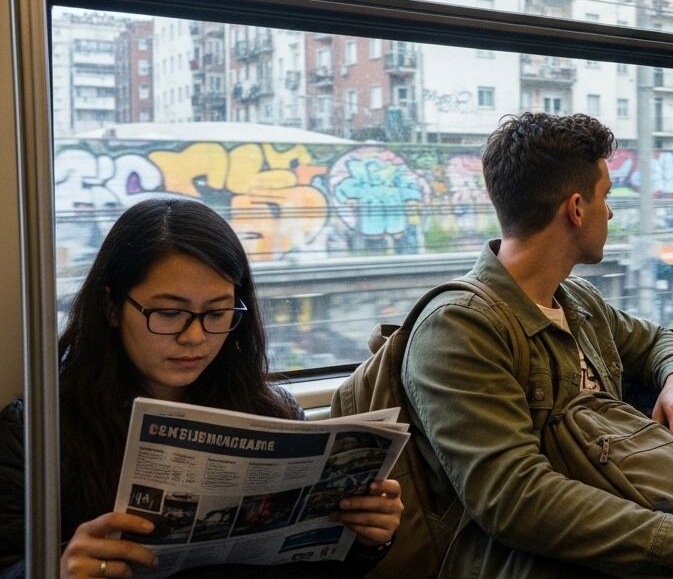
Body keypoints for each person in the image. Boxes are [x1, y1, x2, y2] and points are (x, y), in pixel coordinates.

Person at [401, 112, 673, 579]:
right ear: (576, 208)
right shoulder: (459, 328)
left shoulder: (577, 300)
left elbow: (656, 340)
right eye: (606, 196)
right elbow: (514, 497)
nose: (611, 211)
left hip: (621, 549)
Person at [0, 198, 404, 579]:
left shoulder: (271, 414)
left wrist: (368, 539)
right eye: (170, 313)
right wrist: (53, 567)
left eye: (217, 313)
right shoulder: (36, 432)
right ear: (111, 307)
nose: (195, 337)